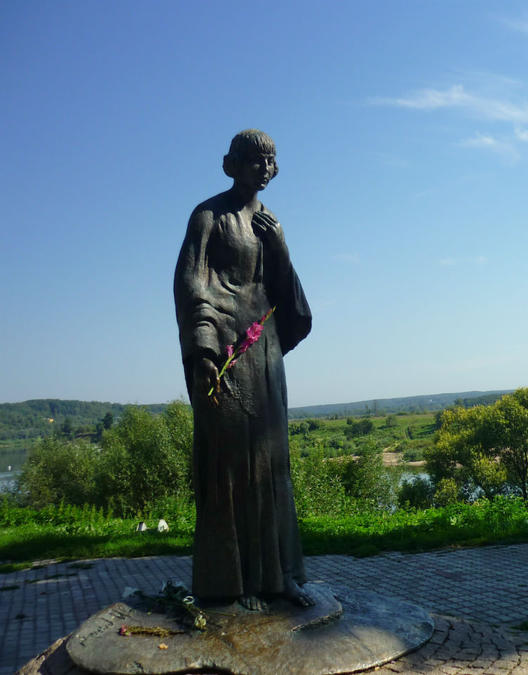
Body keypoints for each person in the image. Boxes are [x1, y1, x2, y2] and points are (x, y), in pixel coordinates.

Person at [174, 130, 313, 610]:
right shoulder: (208, 216)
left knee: (271, 462)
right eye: (255, 160)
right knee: (229, 464)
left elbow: (285, 293)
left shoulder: (270, 223)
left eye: (270, 161)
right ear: (230, 164)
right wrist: (206, 350)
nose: (264, 168)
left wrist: (280, 248)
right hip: (226, 350)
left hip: (264, 353)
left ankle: (280, 577)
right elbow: (193, 283)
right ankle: (229, 584)